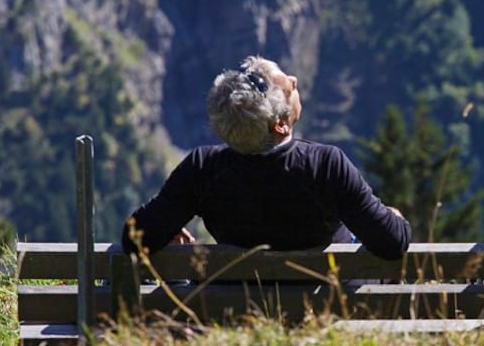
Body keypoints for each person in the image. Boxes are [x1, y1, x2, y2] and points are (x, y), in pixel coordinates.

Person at [122, 55, 411, 260]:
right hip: (324, 309)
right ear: (281, 124)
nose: (295, 81)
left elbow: (133, 241)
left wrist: (167, 224)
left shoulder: (202, 169)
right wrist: (394, 218)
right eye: (289, 88)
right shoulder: (326, 165)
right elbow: (392, 243)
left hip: (241, 308)